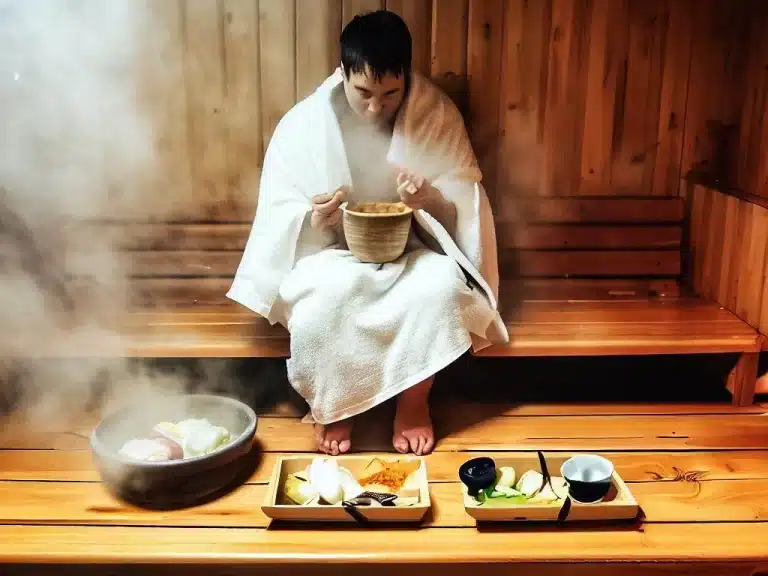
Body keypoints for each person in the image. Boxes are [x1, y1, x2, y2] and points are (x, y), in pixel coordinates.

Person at [227, 10, 508, 456]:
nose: (376, 107)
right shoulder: (305, 124)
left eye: (391, 94)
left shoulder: (435, 116)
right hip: (334, 256)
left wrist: (427, 201)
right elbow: (282, 217)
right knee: (323, 299)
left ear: (407, 79)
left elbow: (465, 216)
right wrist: (314, 221)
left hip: (412, 252)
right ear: (343, 74)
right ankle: (338, 405)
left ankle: (413, 403)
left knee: (439, 288)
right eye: (364, 93)